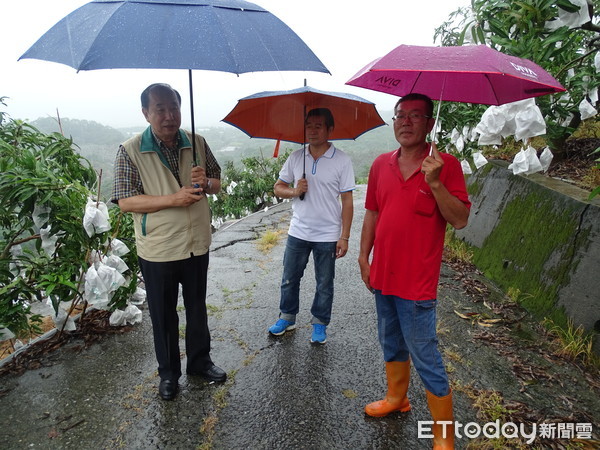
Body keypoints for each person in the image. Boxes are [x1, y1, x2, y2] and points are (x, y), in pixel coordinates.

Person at [358, 93, 470, 449]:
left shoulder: (445, 165)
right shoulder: (379, 164)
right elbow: (373, 213)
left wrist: (435, 183)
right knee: (390, 341)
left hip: (418, 282)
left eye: (416, 116)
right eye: (400, 115)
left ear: (430, 124)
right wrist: (364, 256)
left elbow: (461, 219)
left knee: (425, 353)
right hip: (384, 275)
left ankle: (443, 436)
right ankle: (396, 399)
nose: (406, 122)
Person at [112, 83, 226, 401]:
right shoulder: (131, 149)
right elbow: (125, 201)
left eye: (174, 107)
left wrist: (207, 181)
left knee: (196, 307)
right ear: (146, 112)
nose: (169, 115)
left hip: (196, 242)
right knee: (163, 314)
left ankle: (200, 362)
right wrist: (173, 199)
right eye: (160, 109)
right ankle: (169, 374)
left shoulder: (197, 143)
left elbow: (217, 182)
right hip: (158, 247)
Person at [268, 108, 355, 345]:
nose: (313, 130)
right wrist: (295, 191)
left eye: (319, 126)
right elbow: (278, 187)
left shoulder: (342, 160)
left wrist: (344, 236)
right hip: (298, 230)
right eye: (309, 126)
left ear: (329, 129)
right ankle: (287, 316)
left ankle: (319, 323)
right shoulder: (296, 157)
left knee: (324, 283)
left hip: (327, 233)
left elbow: (347, 201)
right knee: (289, 277)